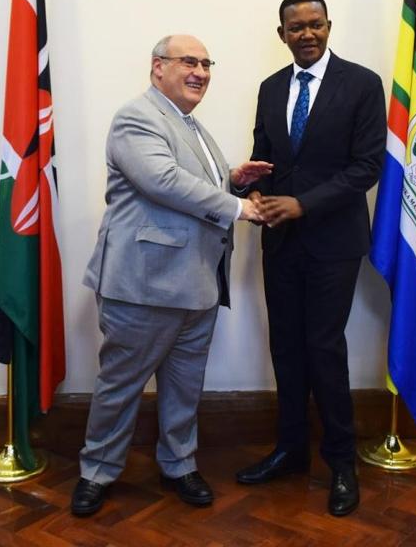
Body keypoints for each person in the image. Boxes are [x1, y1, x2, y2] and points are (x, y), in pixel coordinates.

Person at [71, 34, 273, 518]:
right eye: (189, 61)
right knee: (121, 385)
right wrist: (238, 207)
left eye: (206, 63)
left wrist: (230, 177)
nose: (200, 72)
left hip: (198, 284)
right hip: (142, 286)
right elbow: (162, 181)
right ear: (157, 67)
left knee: (185, 386)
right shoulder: (137, 117)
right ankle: (97, 471)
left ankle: (179, 464)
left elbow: (188, 180)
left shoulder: (191, 125)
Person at [235, 0, 387, 517]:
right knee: (285, 347)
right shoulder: (271, 87)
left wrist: (304, 204)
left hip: (333, 242)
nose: (307, 34)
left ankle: (342, 462)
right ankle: (291, 449)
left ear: (328, 26)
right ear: (282, 35)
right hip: (279, 239)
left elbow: (367, 166)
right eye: (296, 27)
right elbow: (265, 157)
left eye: (315, 24)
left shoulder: (362, 84)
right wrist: (252, 189)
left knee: (324, 348)